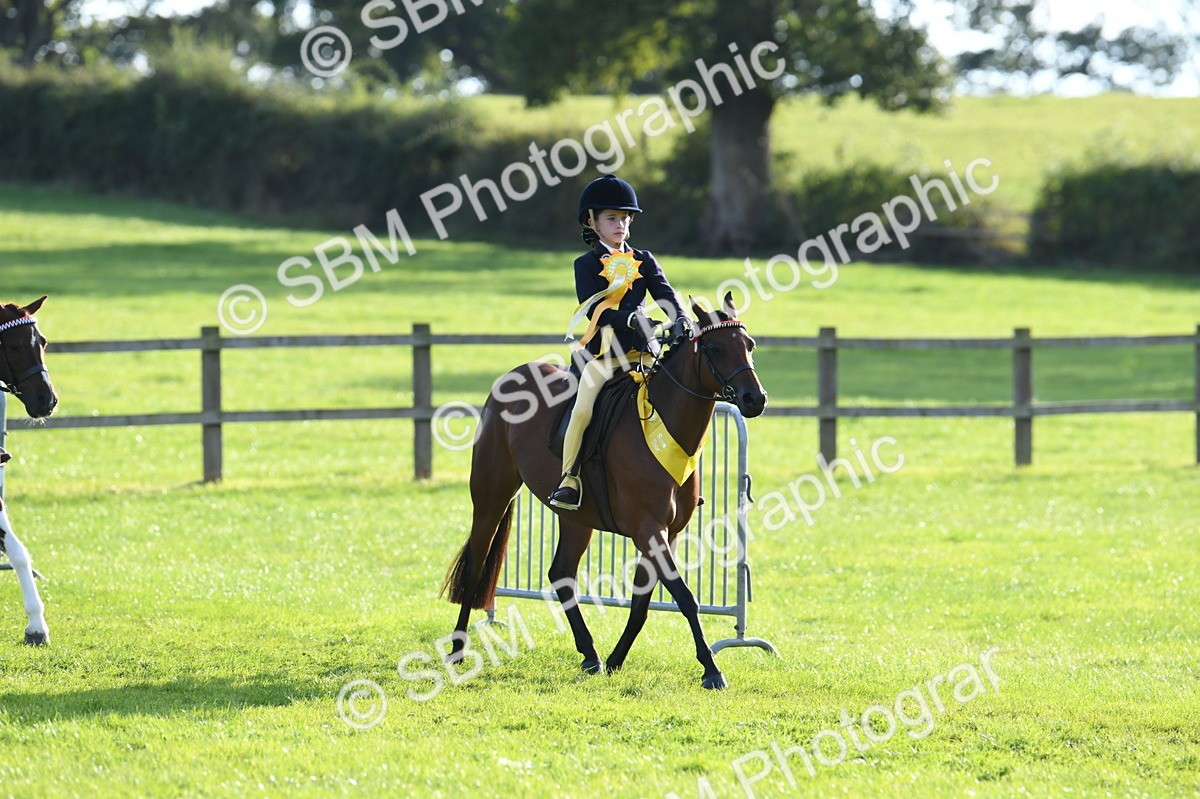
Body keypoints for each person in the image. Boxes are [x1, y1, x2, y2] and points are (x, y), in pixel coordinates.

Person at [549, 174, 691, 510]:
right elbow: (593, 309)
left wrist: (680, 318)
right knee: (583, 409)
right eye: (612, 218)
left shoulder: (644, 259)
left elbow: (665, 294)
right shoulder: (586, 265)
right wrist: (629, 319)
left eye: (625, 218)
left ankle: (682, 479)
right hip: (603, 356)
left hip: (644, 353)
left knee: (679, 400)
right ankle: (569, 478)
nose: (621, 225)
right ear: (592, 221)